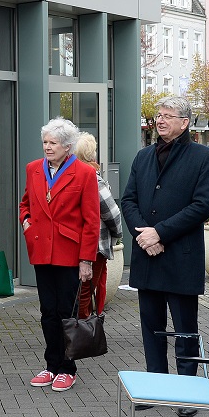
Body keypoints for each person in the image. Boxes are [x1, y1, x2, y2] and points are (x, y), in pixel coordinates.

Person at [120, 96, 209, 417]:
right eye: (158, 115)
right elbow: (129, 199)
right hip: (148, 255)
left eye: (167, 116)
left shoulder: (203, 157)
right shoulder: (143, 156)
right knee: (150, 326)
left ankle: (188, 391)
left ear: (185, 122)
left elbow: (201, 206)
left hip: (181, 257)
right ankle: (157, 385)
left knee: (185, 328)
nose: (160, 120)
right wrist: (144, 236)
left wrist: (159, 233)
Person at [19, 117, 100, 392]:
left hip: (70, 253)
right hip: (42, 249)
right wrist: (27, 223)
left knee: (67, 313)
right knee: (47, 312)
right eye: (45, 142)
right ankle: (51, 365)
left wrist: (86, 260)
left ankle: (68, 368)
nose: (47, 147)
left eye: (53, 143)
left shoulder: (85, 173)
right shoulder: (33, 169)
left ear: (67, 146)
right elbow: (25, 203)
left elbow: (92, 221)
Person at [72, 133, 123, 319]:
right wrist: (116, 236)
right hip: (94, 247)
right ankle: (82, 337)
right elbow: (112, 213)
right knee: (85, 294)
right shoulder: (93, 178)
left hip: (73, 245)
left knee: (77, 294)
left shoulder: (69, 176)